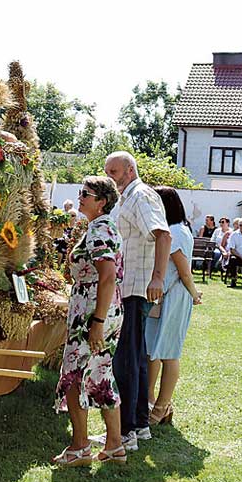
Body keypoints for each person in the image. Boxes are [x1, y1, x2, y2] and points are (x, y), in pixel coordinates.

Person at [52, 176, 125, 466]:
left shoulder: (99, 230)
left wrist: (97, 321)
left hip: (93, 311)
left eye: (86, 194)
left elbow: (107, 277)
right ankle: (114, 446)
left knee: (73, 375)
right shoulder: (105, 227)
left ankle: (80, 446)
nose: (80, 197)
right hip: (105, 308)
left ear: (102, 202)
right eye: (80, 192)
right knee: (102, 374)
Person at [103, 151, 170, 451]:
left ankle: (126, 430)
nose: (110, 178)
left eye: (114, 172)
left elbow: (163, 236)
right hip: (127, 287)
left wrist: (158, 278)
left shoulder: (141, 195)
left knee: (126, 360)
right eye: (107, 172)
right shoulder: (127, 197)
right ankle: (140, 424)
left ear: (130, 170)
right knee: (135, 357)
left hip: (134, 289)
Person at [145, 187, 202, 427]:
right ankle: (149, 401)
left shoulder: (175, 232)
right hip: (162, 296)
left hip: (174, 296)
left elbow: (183, 270)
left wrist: (194, 294)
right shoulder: (175, 229)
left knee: (169, 352)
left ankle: (161, 406)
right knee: (152, 349)